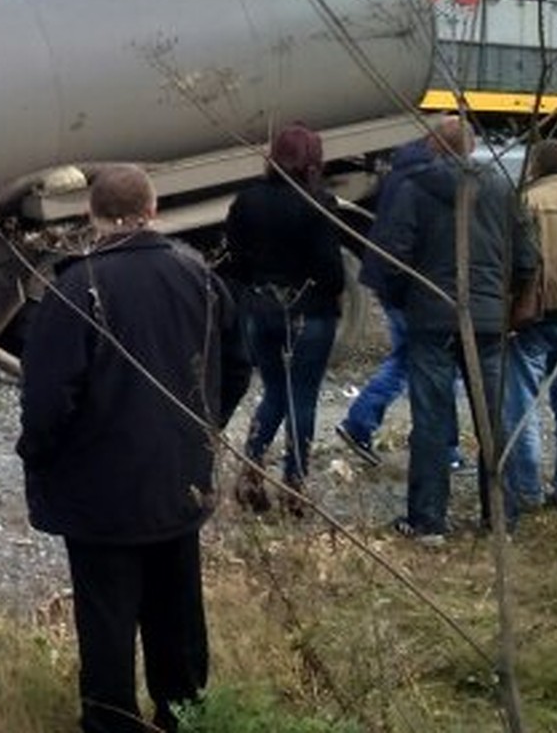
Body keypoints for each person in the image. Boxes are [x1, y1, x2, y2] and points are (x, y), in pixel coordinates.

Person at [17, 164, 248, 733]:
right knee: (178, 614)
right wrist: (202, 427)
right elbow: (238, 363)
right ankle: (185, 716)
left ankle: (112, 721)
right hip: (177, 478)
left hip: (101, 491)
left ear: (91, 216)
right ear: (153, 210)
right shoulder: (199, 276)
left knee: (107, 622)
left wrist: (39, 453)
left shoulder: (76, 287)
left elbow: (47, 396)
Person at [375, 115, 538, 543]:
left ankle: (428, 521)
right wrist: (506, 298)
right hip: (486, 321)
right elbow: (526, 257)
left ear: (434, 147)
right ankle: (501, 520)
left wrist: (403, 300)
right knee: (493, 420)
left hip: (430, 317)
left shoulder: (414, 190)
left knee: (431, 418)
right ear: (470, 147)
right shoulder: (503, 190)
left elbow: (394, 256)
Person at [224, 122, 345, 516]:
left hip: (260, 309)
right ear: (313, 161)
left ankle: (251, 471)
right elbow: (331, 270)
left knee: (275, 390)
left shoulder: (247, 200)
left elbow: (235, 261)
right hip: (308, 312)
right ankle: (294, 484)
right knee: (302, 398)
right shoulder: (319, 202)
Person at [335, 136, 465, 471]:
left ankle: (369, 424)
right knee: (422, 362)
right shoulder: (426, 179)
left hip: (395, 283)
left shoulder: (401, 170)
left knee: (411, 359)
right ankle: (437, 444)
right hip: (414, 289)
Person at [504, 138, 557, 518]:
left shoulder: (528, 201)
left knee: (523, 406)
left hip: (535, 317)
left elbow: (516, 262)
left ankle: (527, 493)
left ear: (537, 167)